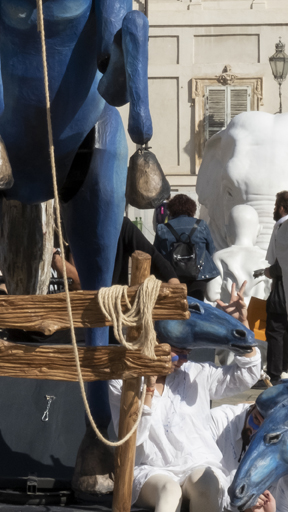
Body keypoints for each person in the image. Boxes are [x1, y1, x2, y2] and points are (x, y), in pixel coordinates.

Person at [110, 286, 260, 512]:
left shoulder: (196, 373)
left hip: (196, 461)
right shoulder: (123, 381)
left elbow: (247, 374)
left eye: (187, 353)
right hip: (151, 468)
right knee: (169, 491)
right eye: (177, 352)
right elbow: (134, 438)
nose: (182, 360)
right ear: (153, 341)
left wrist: (240, 326)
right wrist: (149, 390)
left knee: (207, 484)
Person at [153, 193, 220, 301]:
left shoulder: (162, 228)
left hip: (172, 275)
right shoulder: (201, 225)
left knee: (176, 307)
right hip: (198, 275)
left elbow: (156, 254)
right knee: (197, 306)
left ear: (171, 210)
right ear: (192, 209)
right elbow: (211, 249)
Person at [265, 192, 288, 383]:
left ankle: (274, 374)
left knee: (276, 330)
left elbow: (280, 263)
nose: (274, 209)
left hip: (282, 290)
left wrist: (269, 272)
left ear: (281, 207)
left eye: (276, 205)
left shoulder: (281, 226)